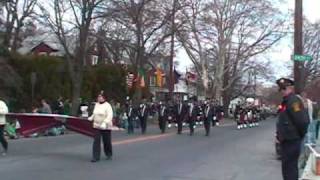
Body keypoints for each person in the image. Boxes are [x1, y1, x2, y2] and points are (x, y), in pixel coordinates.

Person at [276, 78, 310, 180]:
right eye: (281, 89)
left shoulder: (294, 101)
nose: (282, 91)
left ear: (290, 88)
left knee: (290, 169)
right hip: (287, 140)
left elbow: (303, 121)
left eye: (284, 89)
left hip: (292, 140)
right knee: (287, 168)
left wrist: (299, 135)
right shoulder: (286, 102)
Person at [88, 92, 113, 162]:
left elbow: (110, 115)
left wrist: (105, 122)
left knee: (106, 141)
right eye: (98, 97)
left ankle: (108, 153)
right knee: (96, 141)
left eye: (100, 97)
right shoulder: (96, 104)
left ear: (104, 98)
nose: (99, 98)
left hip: (105, 125)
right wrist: (91, 117)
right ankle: (95, 157)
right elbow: (95, 113)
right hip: (96, 125)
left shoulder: (108, 105)